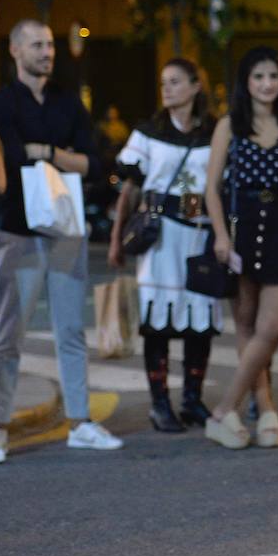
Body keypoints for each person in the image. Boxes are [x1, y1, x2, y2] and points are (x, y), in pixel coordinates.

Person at [0, 19, 122, 464]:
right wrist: (54, 154)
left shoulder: (68, 102)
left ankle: (81, 422)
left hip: (66, 228)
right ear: (14, 50)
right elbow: (10, 157)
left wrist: (44, 152)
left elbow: (90, 162)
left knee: (71, 330)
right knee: (7, 335)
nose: (47, 52)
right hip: (17, 230)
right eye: (37, 45)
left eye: (49, 44)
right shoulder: (3, 103)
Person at [203, 46, 278, 449]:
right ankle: (265, 407)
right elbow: (212, 189)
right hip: (243, 231)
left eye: (274, 76)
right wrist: (219, 234)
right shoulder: (229, 125)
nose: (267, 84)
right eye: (259, 77)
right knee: (247, 326)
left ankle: (223, 410)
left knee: (270, 329)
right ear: (245, 83)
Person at [107, 59, 220, 433]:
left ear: (194, 86)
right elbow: (130, 186)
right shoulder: (148, 132)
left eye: (174, 82)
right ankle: (159, 404)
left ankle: (192, 399)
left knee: (198, 320)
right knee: (158, 321)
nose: (167, 88)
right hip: (160, 234)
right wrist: (116, 237)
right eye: (163, 82)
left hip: (200, 230)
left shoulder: (213, 131)